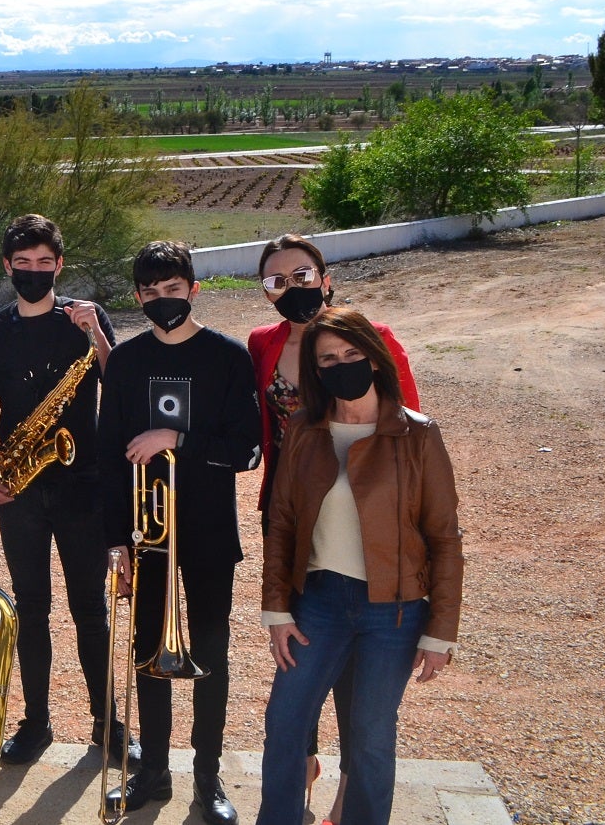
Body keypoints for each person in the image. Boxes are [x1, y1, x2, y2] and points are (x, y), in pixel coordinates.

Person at [255, 308, 462, 825]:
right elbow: (280, 522)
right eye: (328, 358)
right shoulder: (304, 430)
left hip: (392, 613)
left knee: (370, 737)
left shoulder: (417, 435)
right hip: (318, 604)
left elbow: (444, 537)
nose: (341, 364)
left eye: (352, 354)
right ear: (315, 369)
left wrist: (441, 632)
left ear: (374, 357)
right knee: (284, 722)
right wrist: (277, 609)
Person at [247, 233, 420, 821]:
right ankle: (303, 767)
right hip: (290, 518)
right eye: (276, 281)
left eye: (301, 275)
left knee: (356, 666)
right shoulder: (262, 344)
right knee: (298, 654)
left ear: (325, 276)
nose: (290, 288)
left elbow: (408, 435)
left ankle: (348, 791)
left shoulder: (371, 342)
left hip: (362, 522)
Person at [99, 240, 260, 825]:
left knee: (210, 656)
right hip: (146, 538)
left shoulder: (227, 357)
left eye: (173, 289)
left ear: (194, 289)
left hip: (209, 532)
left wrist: (177, 440)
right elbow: (107, 456)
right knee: (150, 658)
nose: (162, 300)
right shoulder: (126, 360)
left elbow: (247, 450)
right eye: (150, 292)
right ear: (138, 296)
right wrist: (115, 541)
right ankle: (154, 772)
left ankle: (208, 779)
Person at [0, 215, 132, 767]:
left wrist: (95, 333)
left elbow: (120, 389)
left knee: (90, 610)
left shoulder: (85, 321)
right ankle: (36, 722)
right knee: (32, 609)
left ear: (60, 266)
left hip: (82, 485)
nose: (34, 272)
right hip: (21, 486)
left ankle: (105, 723)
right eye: (23, 264)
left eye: (45, 264)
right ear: (7, 266)